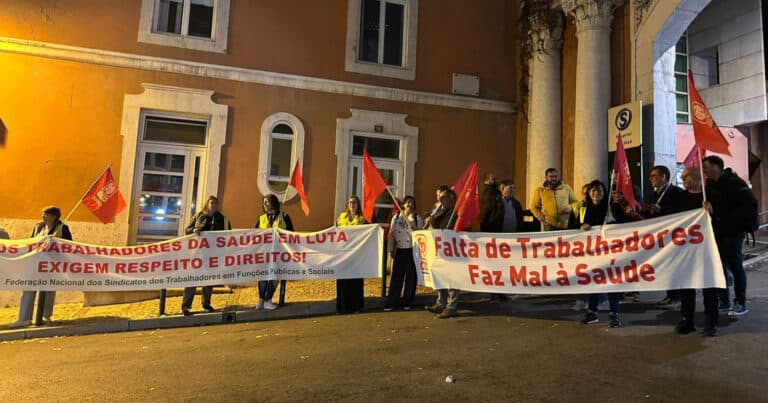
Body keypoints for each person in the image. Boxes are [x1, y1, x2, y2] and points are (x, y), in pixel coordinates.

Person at [703, 155, 753, 317]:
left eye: (706, 167)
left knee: (735, 266)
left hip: (733, 232)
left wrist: (715, 209)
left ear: (716, 166)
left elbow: (746, 207)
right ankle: (724, 301)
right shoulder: (709, 184)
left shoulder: (735, 183)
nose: (704, 171)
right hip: (717, 231)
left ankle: (741, 302)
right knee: (719, 267)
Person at [9, 206, 72, 328]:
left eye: (46, 214)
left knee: (49, 290)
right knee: (29, 289)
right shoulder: (38, 227)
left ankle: (45, 316)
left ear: (54, 216)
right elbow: (31, 242)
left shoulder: (62, 228)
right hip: (35, 263)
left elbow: (69, 245)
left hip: (52, 264)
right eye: (43, 214)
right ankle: (24, 318)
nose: (43, 216)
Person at [675, 167, 719, 336]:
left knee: (709, 285)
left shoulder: (711, 195)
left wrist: (712, 212)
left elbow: (722, 222)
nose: (683, 179)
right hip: (686, 249)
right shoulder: (680, 198)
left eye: (685, 176)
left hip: (708, 248)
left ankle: (711, 322)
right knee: (687, 285)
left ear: (696, 177)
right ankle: (688, 319)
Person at [579, 181, 626, 328]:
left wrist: (613, 225)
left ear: (604, 192)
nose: (596, 194)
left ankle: (615, 314)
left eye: (599, 191)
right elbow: (573, 226)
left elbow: (625, 224)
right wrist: (581, 226)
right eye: (592, 191)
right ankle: (592, 312)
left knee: (612, 283)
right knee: (594, 282)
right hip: (592, 253)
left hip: (611, 251)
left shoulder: (613, 207)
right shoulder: (584, 209)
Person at [641, 165, 684, 306]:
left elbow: (680, 213)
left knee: (674, 266)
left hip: (673, 235)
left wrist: (662, 210)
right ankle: (669, 294)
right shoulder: (652, 194)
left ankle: (677, 296)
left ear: (663, 176)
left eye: (654, 176)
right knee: (666, 266)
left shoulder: (676, 192)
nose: (650, 179)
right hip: (659, 237)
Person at [182, 195, 231, 316]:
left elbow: (229, 233)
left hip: (213, 255)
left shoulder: (222, 218)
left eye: (216, 203)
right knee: (192, 280)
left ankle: (206, 304)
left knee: (209, 281)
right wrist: (194, 230)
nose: (214, 205)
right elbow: (187, 229)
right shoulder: (199, 216)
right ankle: (186, 306)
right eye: (211, 203)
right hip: (197, 254)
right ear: (207, 204)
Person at [425, 187, 463, 319]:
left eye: (444, 197)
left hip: (453, 249)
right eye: (439, 198)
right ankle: (440, 303)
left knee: (452, 278)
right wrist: (434, 215)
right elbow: (435, 224)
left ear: (451, 198)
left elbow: (454, 226)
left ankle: (451, 306)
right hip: (441, 248)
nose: (441, 200)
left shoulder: (457, 211)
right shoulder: (441, 210)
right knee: (440, 275)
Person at [256, 194, 294, 310]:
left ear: (273, 202)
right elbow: (255, 234)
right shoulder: (261, 218)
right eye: (264, 203)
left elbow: (291, 233)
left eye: (267, 202)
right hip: (264, 253)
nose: (265, 205)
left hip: (279, 253)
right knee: (262, 276)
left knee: (274, 276)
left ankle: (268, 299)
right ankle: (261, 299)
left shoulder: (284, 216)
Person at [385, 196, 424, 311]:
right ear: (403, 205)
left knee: (411, 277)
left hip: (412, 250)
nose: (410, 205)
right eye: (408, 203)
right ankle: (392, 302)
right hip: (400, 250)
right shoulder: (396, 218)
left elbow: (421, 236)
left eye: (412, 203)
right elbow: (391, 235)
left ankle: (408, 302)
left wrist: (415, 230)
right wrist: (390, 250)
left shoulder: (417, 218)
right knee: (396, 277)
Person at [335, 195, 367, 314]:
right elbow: (334, 232)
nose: (352, 205)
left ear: (358, 205)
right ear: (348, 205)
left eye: (354, 203)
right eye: (350, 203)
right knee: (343, 281)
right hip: (343, 254)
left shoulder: (363, 220)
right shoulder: (340, 218)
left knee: (355, 282)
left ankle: (355, 307)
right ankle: (342, 307)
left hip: (356, 255)